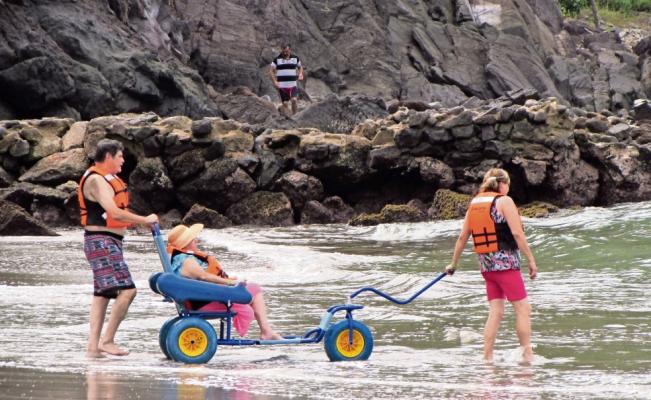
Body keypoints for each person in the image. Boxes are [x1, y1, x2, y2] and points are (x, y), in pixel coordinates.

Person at [444, 168, 538, 363]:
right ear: (502, 184)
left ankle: (487, 357)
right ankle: (527, 356)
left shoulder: (475, 203)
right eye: (508, 185)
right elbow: (517, 233)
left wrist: (453, 264)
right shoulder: (504, 201)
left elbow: (463, 237)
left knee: (496, 311)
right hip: (506, 267)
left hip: (487, 268)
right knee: (523, 309)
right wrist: (531, 260)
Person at [78, 139, 158, 358]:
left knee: (102, 293)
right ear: (108, 157)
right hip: (101, 241)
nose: (123, 160)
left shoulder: (104, 178)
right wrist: (145, 220)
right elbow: (114, 213)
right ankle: (108, 341)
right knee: (128, 290)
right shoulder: (97, 180)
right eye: (121, 156)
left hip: (102, 241)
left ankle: (93, 348)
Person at [166, 224, 282, 340]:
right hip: (203, 303)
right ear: (186, 243)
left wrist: (230, 280)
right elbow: (204, 277)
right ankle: (266, 332)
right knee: (251, 292)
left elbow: (204, 278)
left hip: (203, 298)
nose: (196, 240)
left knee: (254, 288)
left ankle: (266, 331)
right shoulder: (186, 261)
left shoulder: (180, 259)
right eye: (193, 239)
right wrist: (229, 282)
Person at [269, 43, 304, 116]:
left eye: (286, 51)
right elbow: (271, 71)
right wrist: (275, 81)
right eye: (283, 51)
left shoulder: (295, 58)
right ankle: (285, 113)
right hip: (282, 86)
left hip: (292, 85)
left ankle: (295, 117)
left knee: (294, 100)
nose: (285, 53)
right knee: (285, 103)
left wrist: (300, 74)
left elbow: (300, 67)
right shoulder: (277, 59)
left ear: (290, 50)